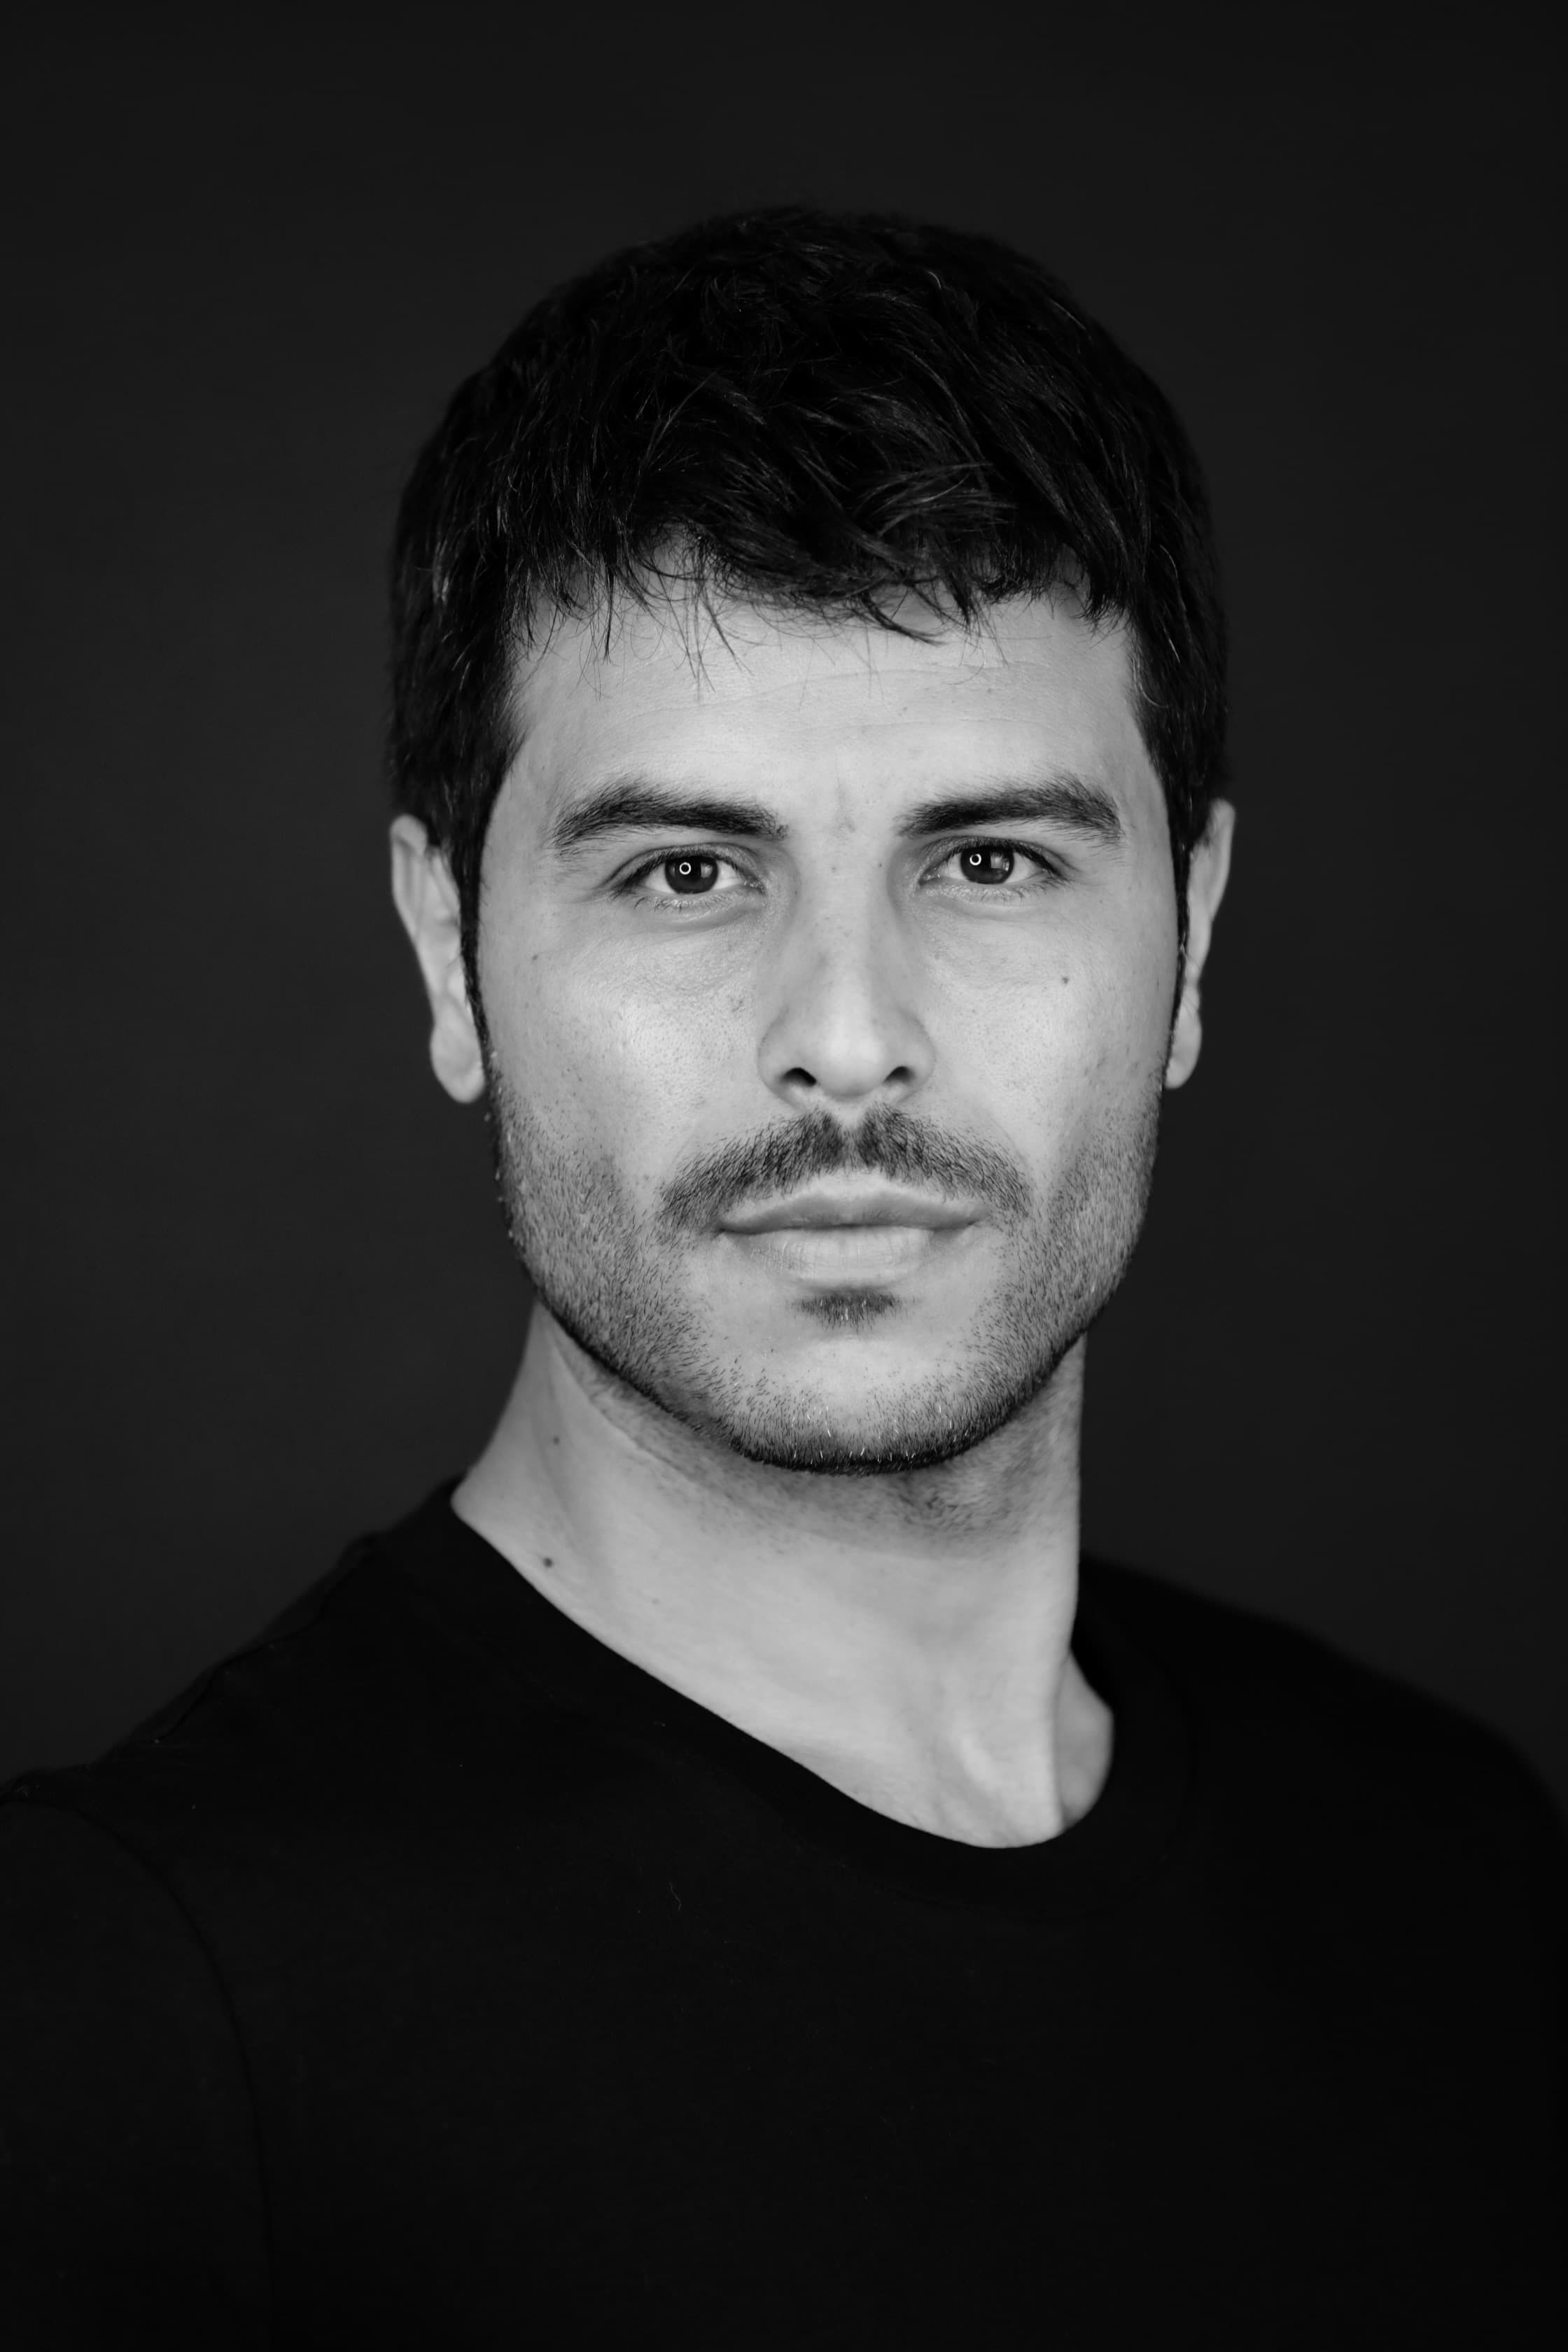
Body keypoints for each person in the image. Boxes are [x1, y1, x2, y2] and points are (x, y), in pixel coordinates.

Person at [1, 207, 1563, 2348]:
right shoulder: (120, 2029)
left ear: (1191, 935)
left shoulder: (1457, 1871)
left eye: (991, 860)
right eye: (685, 872)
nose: (845, 1034)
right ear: (447, 952)